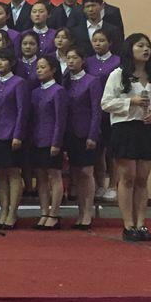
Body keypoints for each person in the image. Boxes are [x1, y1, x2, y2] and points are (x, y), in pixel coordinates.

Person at [101, 34, 151, 242]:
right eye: (140, 45)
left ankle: (141, 224)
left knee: (142, 178)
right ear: (130, 49)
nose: (146, 49)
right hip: (124, 128)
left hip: (145, 129)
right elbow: (106, 103)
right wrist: (131, 102)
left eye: (148, 46)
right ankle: (128, 225)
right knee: (128, 177)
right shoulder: (118, 74)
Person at [0, 49, 29, 229]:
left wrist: (18, 134)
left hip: (11, 134)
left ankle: (13, 212)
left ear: (11, 63)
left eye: (3, 60)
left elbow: (22, 111)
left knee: (13, 173)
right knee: (0, 174)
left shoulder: (18, 82)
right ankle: (3, 210)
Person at [63, 46, 104, 230]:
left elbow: (96, 110)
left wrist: (93, 135)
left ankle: (88, 213)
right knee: (76, 173)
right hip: (70, 133)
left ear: (83, 60)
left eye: (74, 58)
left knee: (87, 172)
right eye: (68, 58)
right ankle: (80, 212)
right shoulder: (65, 80)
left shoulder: (92, 81)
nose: (71, 61)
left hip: (86, 132)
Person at [30, 56, 67, 230]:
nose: (39, 70)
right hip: (37, 139)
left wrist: (56, 142)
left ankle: (54, 213)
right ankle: (44, 212)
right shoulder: (35, 92)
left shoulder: (58, 90)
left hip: (51, 139)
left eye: (43, 67)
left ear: (53, 70)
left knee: (54, 176)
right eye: (37, 67)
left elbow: (60, 119)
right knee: (41, 177)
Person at [86, 29, 120, 201]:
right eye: (95, 40)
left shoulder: (118, 61)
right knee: (97, 150)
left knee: (112, 150)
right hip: (93, 110)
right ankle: (100, 184)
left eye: (101, 40)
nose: (98, 44)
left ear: (110, 42)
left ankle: (113, 185)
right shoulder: (88, 61)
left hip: (111, 111)